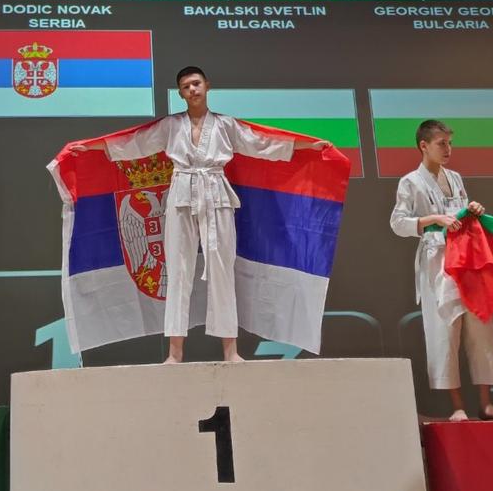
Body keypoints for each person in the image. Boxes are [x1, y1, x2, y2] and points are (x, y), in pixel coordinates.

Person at [72, 66, 330, 363]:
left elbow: (262, 142)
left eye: (196, 83)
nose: (192, 90)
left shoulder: (226, 125)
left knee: (222, 270)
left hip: (216, 194)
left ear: (207, 85)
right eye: (185, 87)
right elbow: (134, 143)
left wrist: (307, 145)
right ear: (180, 93)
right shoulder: (171, 126)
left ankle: (231, 351)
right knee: (177, 271)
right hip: (181, 193)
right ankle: (175, 352)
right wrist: (90, 147)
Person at [390, 119, 493, 421]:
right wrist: (433, 219)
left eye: (450, 143)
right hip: (438, 262)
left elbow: (460, 216)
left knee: (481, 327)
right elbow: (397, 223)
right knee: (444, 332)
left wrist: (472, 211)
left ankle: (486, 403)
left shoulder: (456, 177)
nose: (448, 149)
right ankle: (457, 406)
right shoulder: (411, 181)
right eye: (441, 143)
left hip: (468, 259)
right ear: (424, 145)